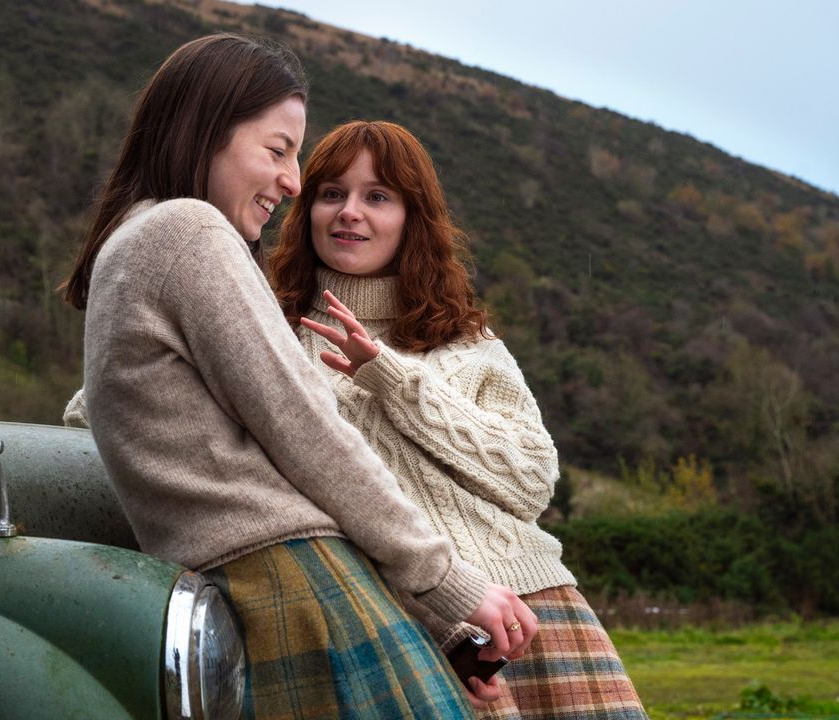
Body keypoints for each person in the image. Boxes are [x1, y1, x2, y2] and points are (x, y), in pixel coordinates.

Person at [60, 34, 539, 718]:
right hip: (295, 587)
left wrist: (436, 628)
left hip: (255, 589)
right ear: (207, 132)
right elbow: (310, 436)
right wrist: (451, 586)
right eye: (277, 150)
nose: (291, 181)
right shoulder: (189, 233)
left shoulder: (133, 244)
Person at [267, 120, 646, 719]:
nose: (350, 213)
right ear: (305, 207)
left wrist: (392, 381)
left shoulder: (465, 341)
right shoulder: (264, 329)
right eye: (332, 193)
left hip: (532, 611)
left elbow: (528, 482)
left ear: (412, 218)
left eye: (378, 197)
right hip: (391, 624)